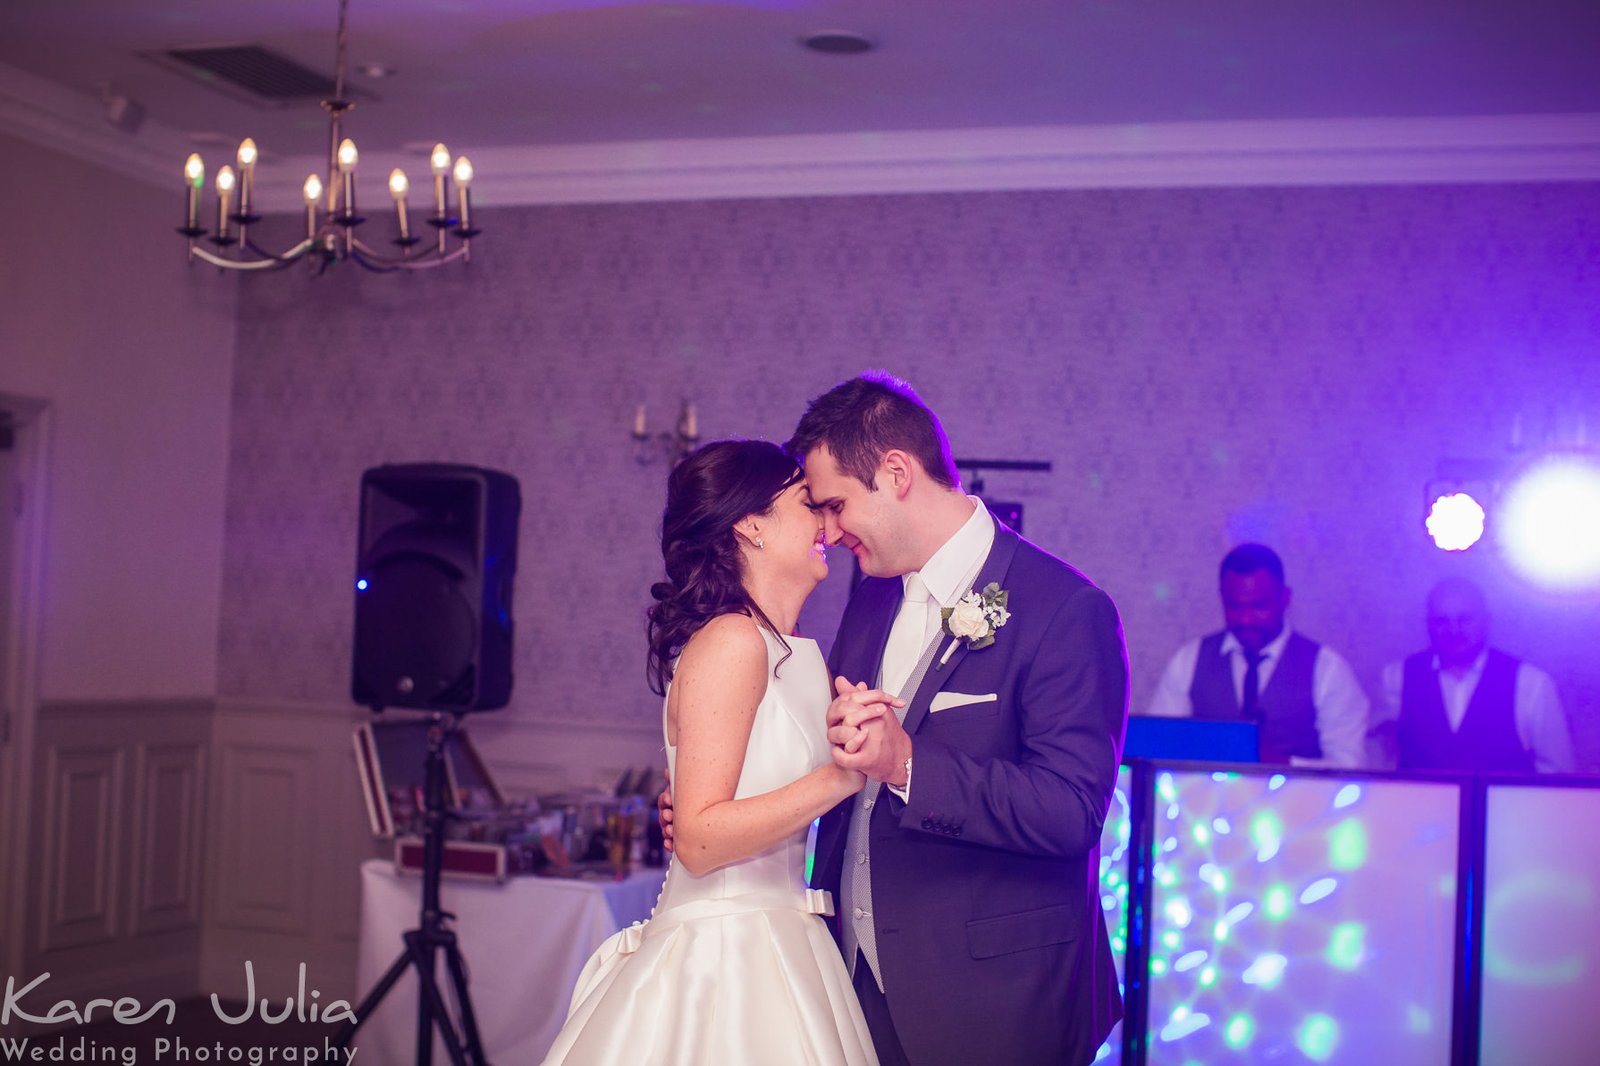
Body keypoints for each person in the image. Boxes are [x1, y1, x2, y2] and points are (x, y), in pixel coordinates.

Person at [790, 372, 1128, 1066]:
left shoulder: (1064, 609)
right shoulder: (870, 600)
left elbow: (1070, 812)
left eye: (835, 504)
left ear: (896, 472)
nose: (826, 529)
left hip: (995, 1003)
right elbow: (837, 757)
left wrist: (907, 765)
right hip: (852, 987)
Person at [542, 439, 891, 1066]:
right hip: (725, 952)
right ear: (751, 524)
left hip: (788, 934)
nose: (826, 527)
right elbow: (700, 841)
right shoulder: (732, 641)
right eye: (807, 504)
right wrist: (841, 776)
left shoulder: (795, 652)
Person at [1146, 543, 1367, 767]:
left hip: (1297, 801)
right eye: (1234, 607)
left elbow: (1350, 766)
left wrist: (1284, 763)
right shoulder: (1189, 660)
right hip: (1205, 800)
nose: (1246, 619)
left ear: (1285, 598)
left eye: (1259, 606)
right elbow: (1156, 750)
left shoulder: (1327, 669)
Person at [1376, 577, 1575, 774]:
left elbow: (1557, 772)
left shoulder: (1530, 683)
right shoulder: (1397, 677)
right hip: (1422, 805)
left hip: (1502, 806)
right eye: (1441, 621)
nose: (1453, 630)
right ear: (1429, 624)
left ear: (1487, 621)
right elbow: (1384, 757)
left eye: (1465, 620)